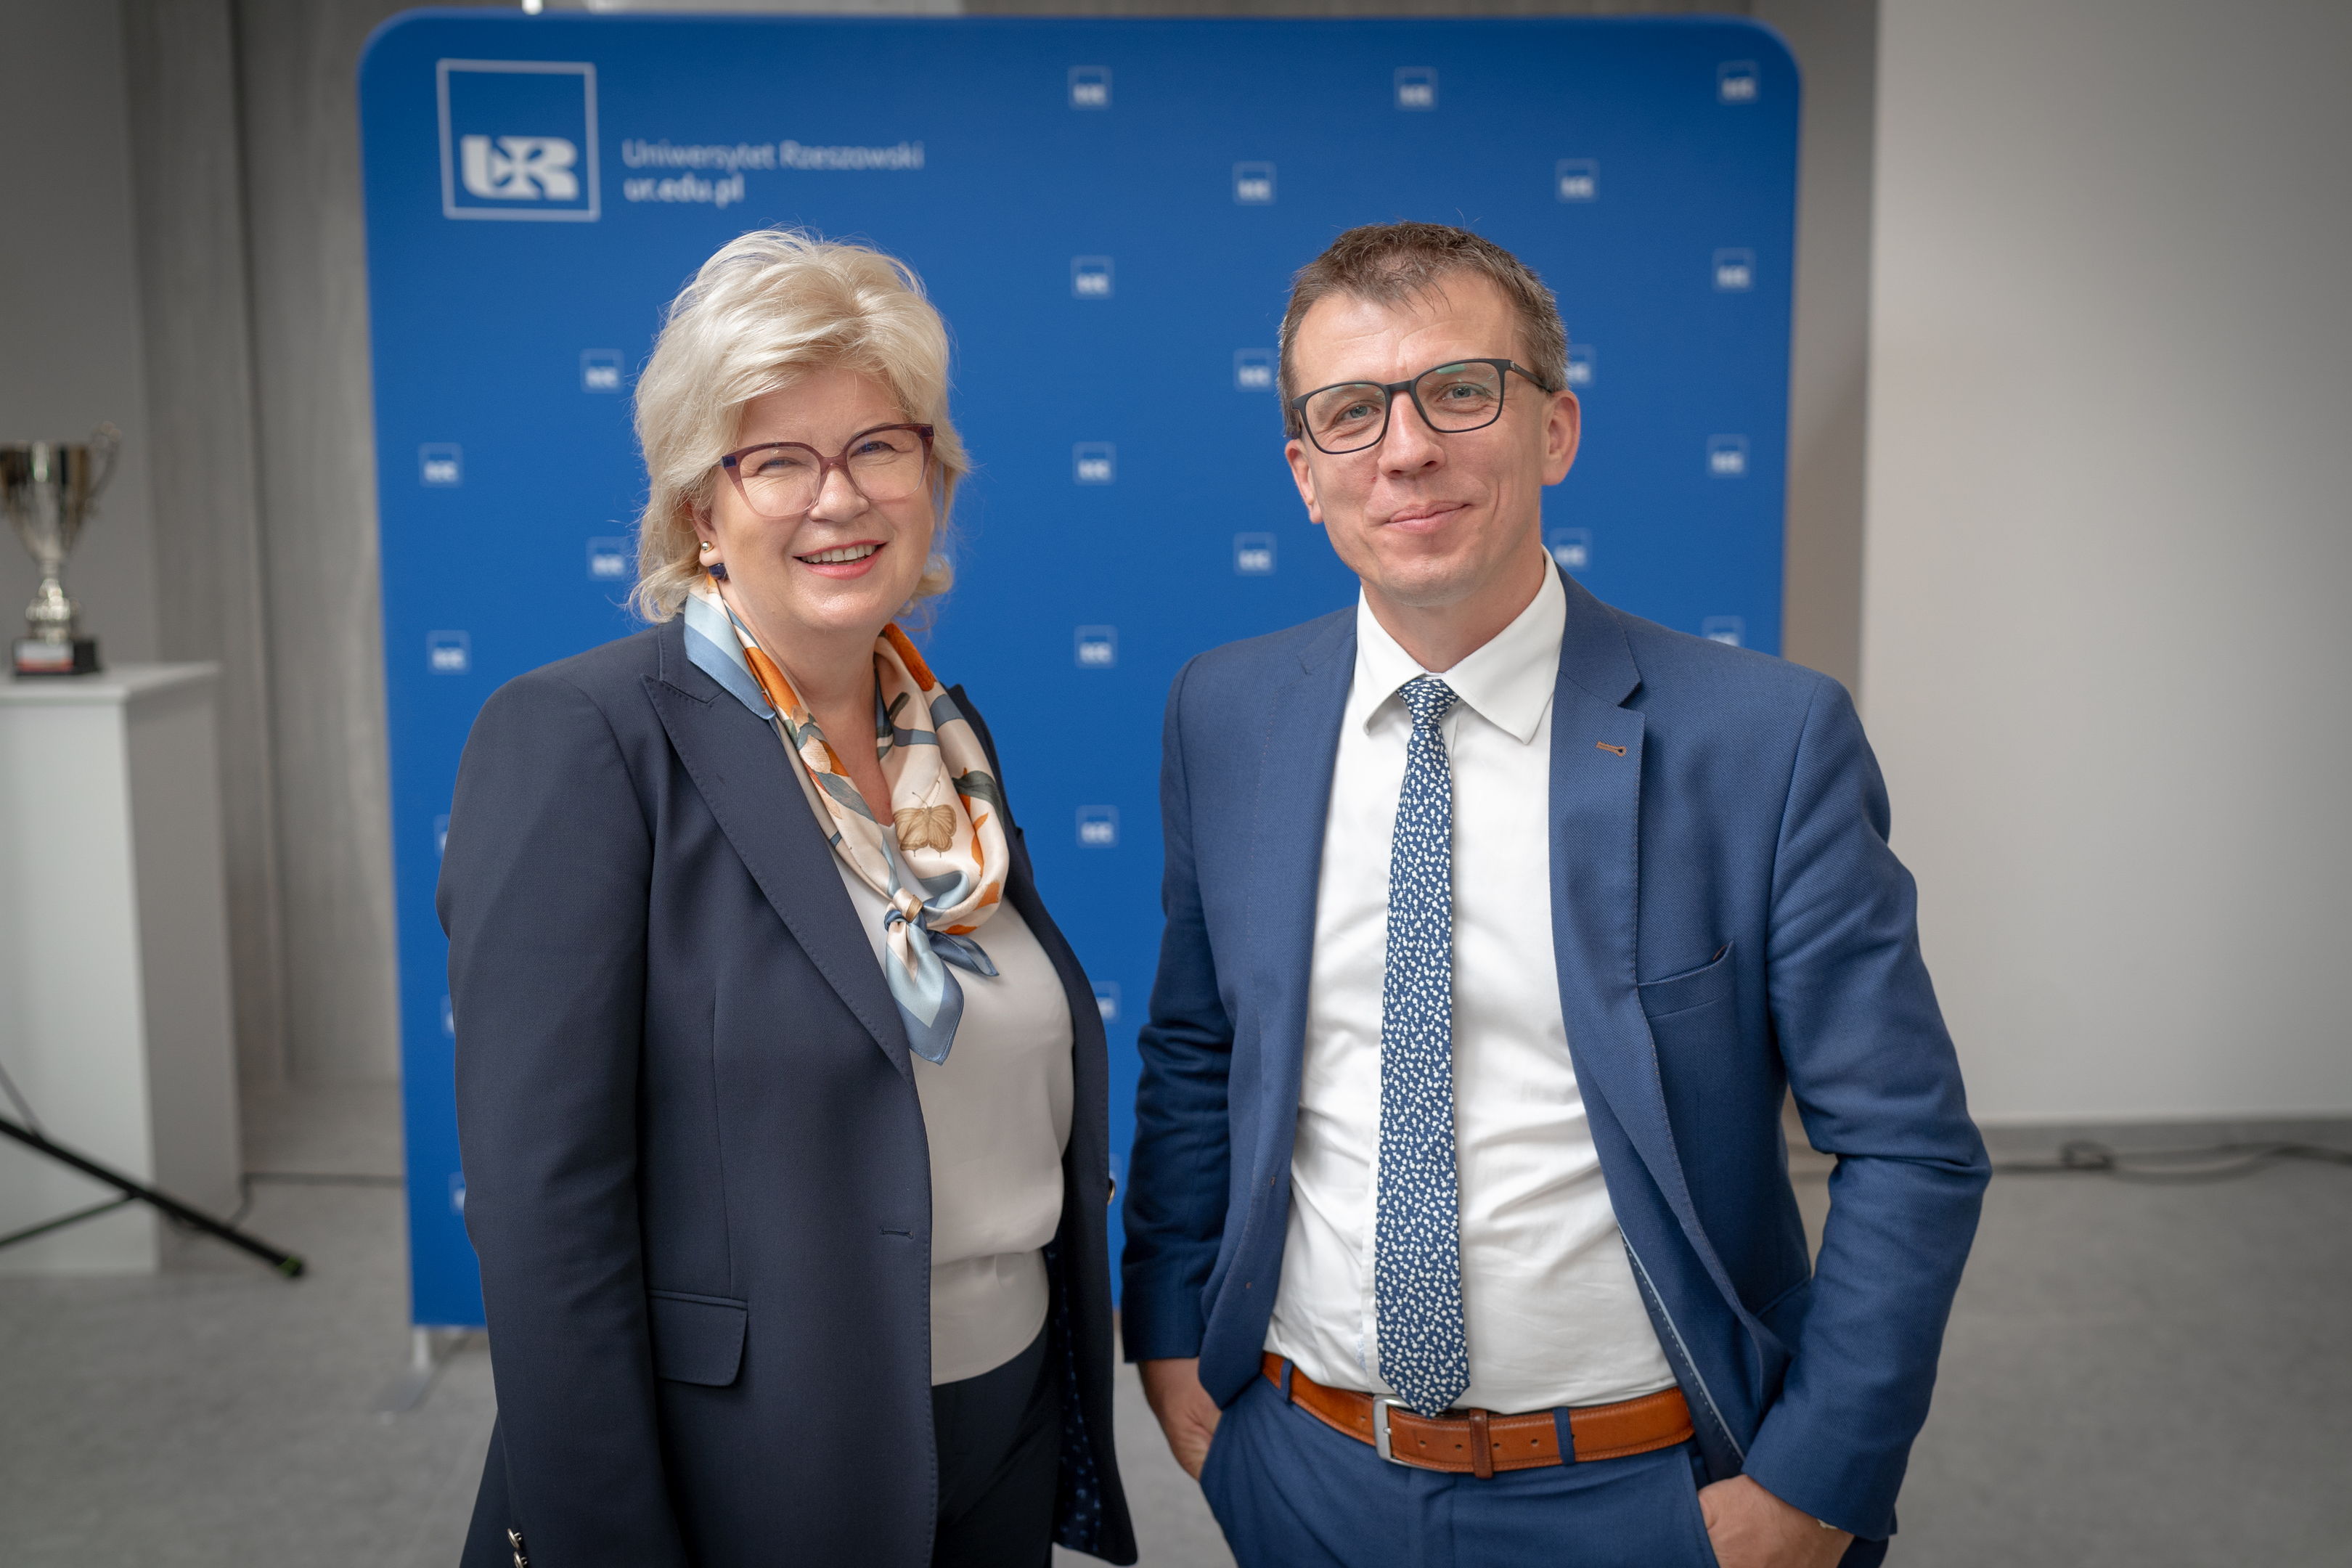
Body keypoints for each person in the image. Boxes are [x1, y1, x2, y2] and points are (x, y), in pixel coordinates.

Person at [1121, 221, 1987, 1568]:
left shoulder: (1765, 742)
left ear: (1555, 430)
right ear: (1305, 473)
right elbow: (1198, 1049)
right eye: (1351, 412)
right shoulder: (1225, 714)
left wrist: (1815, 1486)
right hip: (1304, 1470)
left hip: (1648, 1495)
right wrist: (1170, 1338)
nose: (1407, 450)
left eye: (1460, 391)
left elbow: (1908, 1146)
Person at [439, 229, 1134, 1568]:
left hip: (1001, 1415)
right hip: (747, 1456)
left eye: (879, 447)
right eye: (776, 460)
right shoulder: (586, 740)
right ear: (700, 509)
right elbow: (543, 1212)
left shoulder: (944, 744)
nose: (841, 498)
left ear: (933, 478)